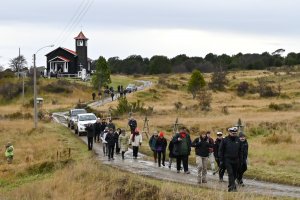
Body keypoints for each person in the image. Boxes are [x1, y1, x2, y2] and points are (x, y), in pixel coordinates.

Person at [219, 127, 242, 192]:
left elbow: (240, 151)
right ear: (229, 132)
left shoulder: (238, 140)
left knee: (234, 174)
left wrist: (241, 160)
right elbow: (221, 150)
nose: (234, 134)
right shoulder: (225, 140)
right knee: (230, 173)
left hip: (236, 160)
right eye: (233, 133)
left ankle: (231, 186)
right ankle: (233, 188)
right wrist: (221, 160)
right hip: (227, 160)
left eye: (235, 133)